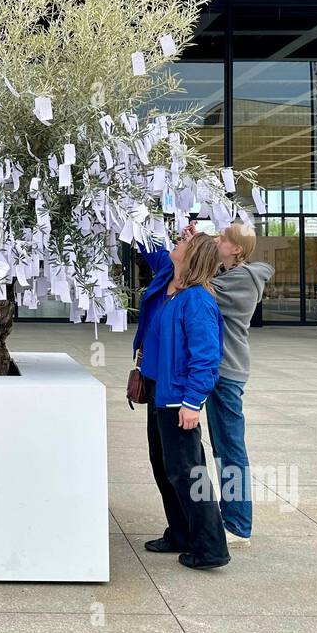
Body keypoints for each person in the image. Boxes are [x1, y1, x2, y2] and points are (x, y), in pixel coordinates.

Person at [134, 232, 230, 569]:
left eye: (182, 244)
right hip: (159, 390)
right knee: (164, 468)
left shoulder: (198, 301)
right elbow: (147, 245)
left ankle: (211, 547)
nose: (176, 244)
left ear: (192, 257)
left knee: (189, 473)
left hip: (178, 398)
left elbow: (205, 358)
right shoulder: (167, 280)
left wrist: (192, 403)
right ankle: (180, 532)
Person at [205, 222, 274, 547]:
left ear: (236, 249)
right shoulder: (229, 274)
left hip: (227, 371)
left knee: (230, 447)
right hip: (222, 369)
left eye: (223, 238)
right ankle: (231, 517)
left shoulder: (241, 280)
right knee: (225, 447)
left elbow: (198, 293)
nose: (217, 240)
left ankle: (237, 525)